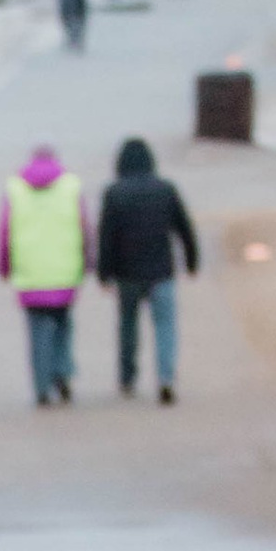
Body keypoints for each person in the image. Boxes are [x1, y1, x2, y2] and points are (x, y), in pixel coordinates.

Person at [96, 132, 201, 400]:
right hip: (161, 270)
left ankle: (128, 378)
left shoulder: (114, 193)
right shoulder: (165, 189)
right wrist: (192, 260)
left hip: (127, 273)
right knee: (165, 325)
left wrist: (104, 272)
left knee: (128, 326)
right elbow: (184, 228)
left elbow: (106, 236)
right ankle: (166, 378)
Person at [0, 144, 91, 403]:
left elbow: (5, 231)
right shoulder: (71, 185)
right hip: (65, 269)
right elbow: (84, 228)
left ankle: (41, 387)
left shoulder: (15, 188)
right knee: (63, 324)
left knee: (37, 332)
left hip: (30, 273)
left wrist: (5, 265)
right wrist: (88, 262)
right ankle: (62, 372)